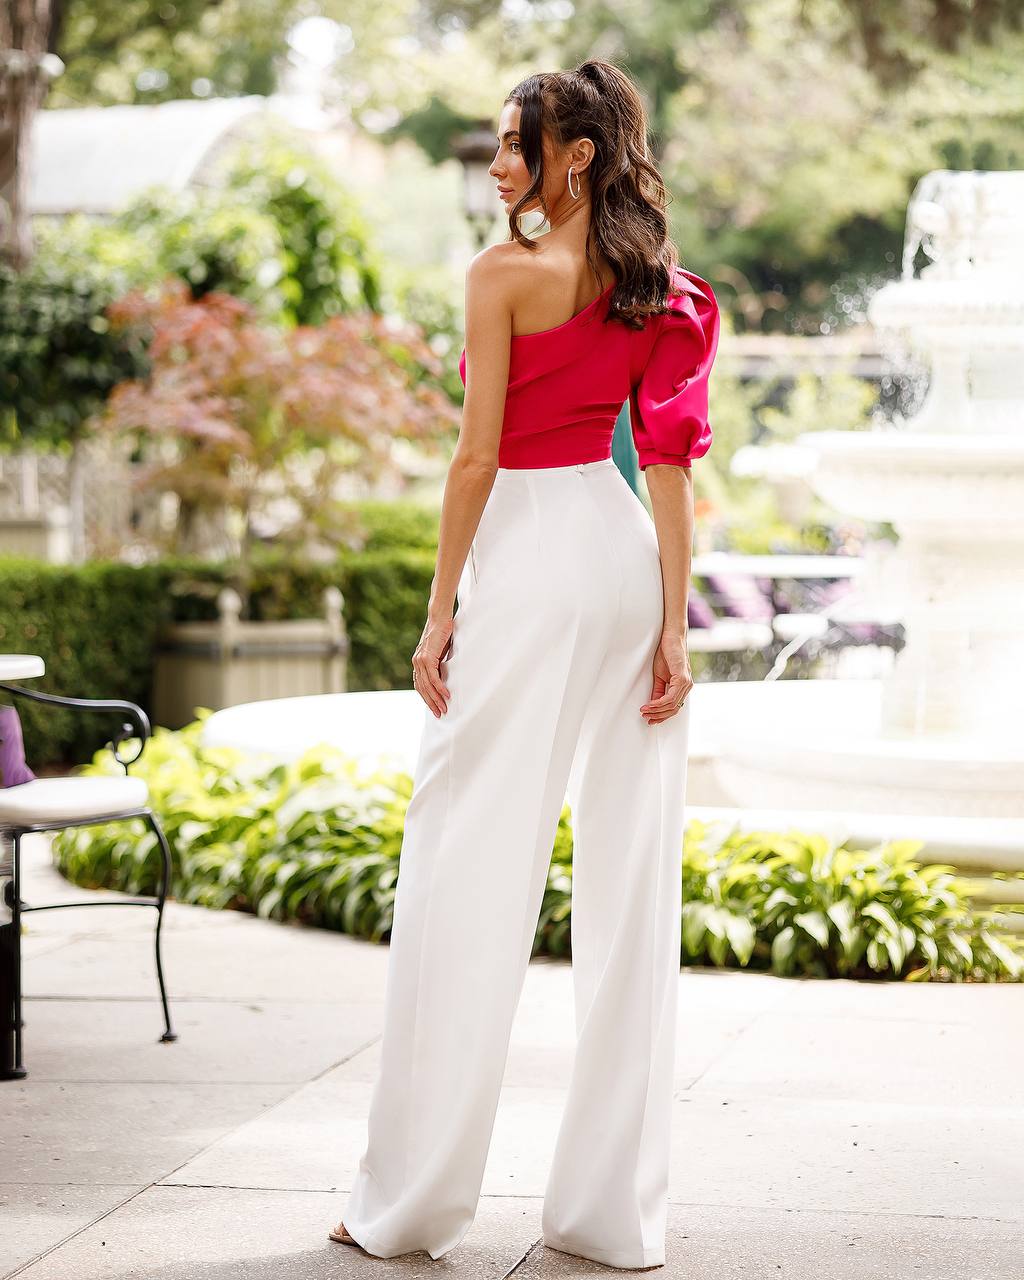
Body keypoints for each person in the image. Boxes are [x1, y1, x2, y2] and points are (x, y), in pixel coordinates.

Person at [329, 56, 720, 1272]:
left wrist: (440, 612)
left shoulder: (501, 273)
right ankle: (609, 1213)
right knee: (631, 882)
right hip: (615, 561)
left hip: (532, 566)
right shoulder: (660, 286)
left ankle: (409, 1203)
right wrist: (673, 618)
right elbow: (667, 465)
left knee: (461, 870)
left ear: (577, 154)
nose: (499, 165)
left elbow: (473, 460)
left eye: (516, 143)